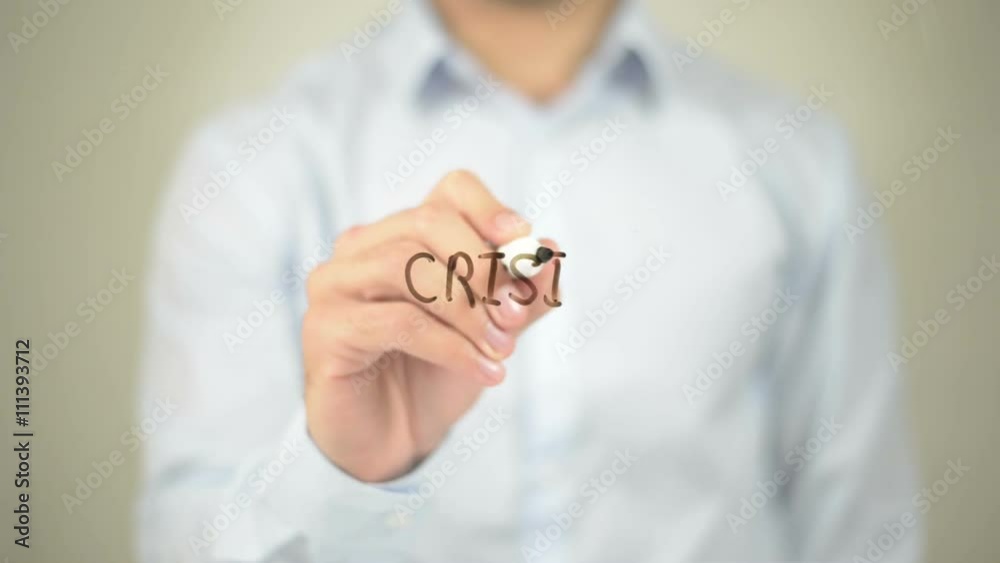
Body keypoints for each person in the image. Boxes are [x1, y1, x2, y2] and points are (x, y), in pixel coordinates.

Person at [137, 0, 923, 561]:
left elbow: (862, 531)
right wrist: (340, 473)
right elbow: (184, 543)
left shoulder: (801, 165)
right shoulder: (249, 167)